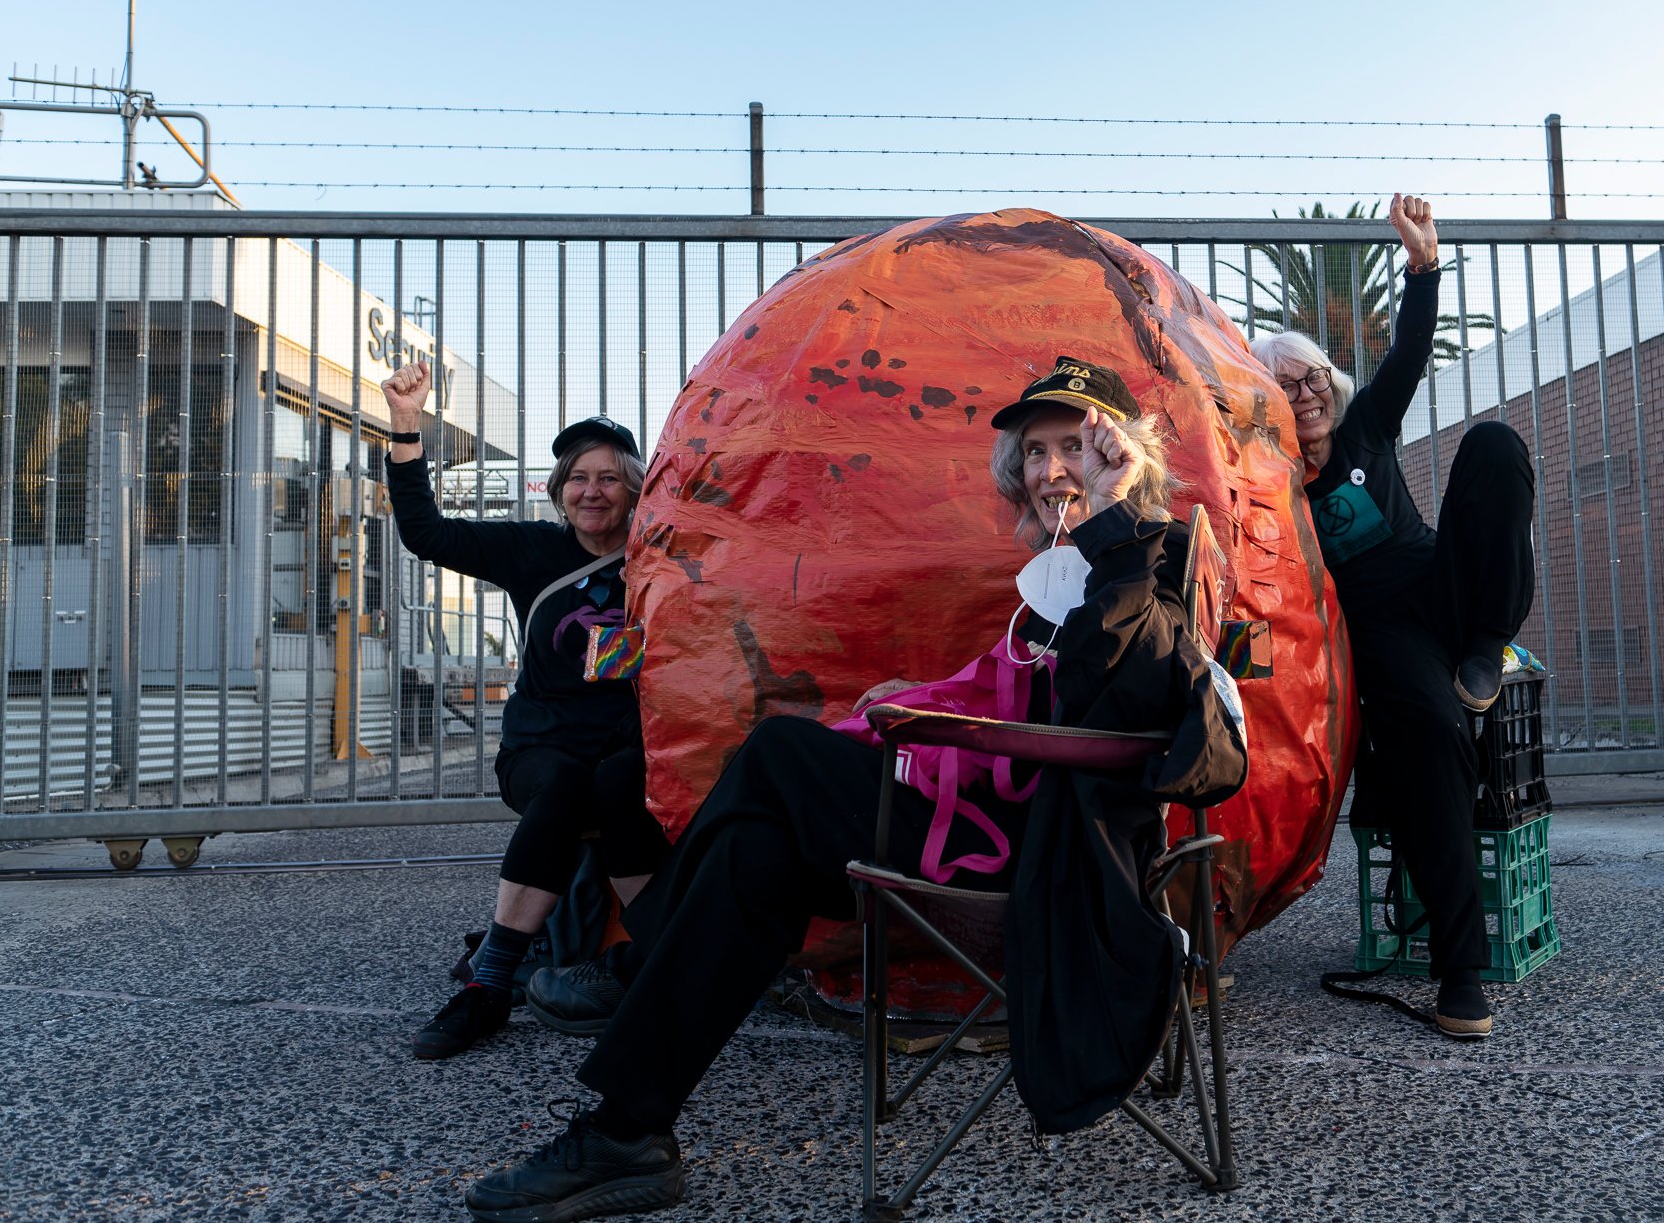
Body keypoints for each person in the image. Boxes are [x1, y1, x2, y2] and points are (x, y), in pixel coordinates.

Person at [461, 356, 1246, 1223]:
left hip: (1048, 852)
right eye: (1036, 451)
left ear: (1125, 455)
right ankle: (626, 1130)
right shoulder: (1059, 568)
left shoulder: (1154, 553)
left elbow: (1128, 696)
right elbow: (1021, 691)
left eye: (1077, 447)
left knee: (779, 754)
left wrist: (1113, 516)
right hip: (989, 815)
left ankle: (640, 964)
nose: (1053, 468)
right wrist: (921, 700)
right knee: (756, 855)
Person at [1251, 194, 1534, 1042]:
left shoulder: (1368, 425)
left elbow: (1409, 350)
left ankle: (1487, 649)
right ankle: (1461, 972)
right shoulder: (1267, 483)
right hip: (1381, 633)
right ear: (1264, 400)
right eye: (1284, 383)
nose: (1305, 392)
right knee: (1434, 735)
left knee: (1493, 445)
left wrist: (1424, 266)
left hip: (1440, 590)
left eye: (1312, 376)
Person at [379, 359, 672, 1060]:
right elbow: (426, 534)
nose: (592, 491)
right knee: (567, 784)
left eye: (610, 478)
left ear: (636, 489)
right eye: (578, 477)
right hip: (542, 750)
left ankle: (663, 965)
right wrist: (407, 426)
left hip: (629, 749)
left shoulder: (664, 559)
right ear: (559, 489)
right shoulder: (530, 549)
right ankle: (489, 985)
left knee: (622, 781)